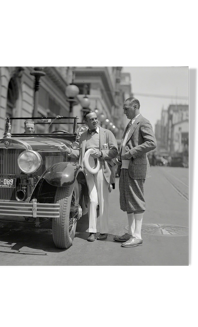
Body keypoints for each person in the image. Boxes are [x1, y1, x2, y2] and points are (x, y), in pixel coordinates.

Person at [58, 111, 118, 242]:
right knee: (93, 200)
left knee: (103, 201)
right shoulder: (83, 136)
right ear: (86, 122)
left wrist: (101, 153)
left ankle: (103, 231)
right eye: (91, 119)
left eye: (96, 118)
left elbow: (114, 150)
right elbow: (79, 153)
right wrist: (68, 150)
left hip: (102, 167)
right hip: (88, 169)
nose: (95, 121)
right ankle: (92, 231)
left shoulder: (107, 133)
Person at [114, 98, 157, 248]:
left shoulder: (143, 122)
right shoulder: (131, 123)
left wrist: (131, 152)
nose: (124, 111)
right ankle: (131, 232)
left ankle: (137, 236)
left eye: (126, 108)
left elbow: (152, 143)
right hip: (126, 167)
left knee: (136, 200)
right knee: (128, 201)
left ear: (135, 106)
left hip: (135, 166)